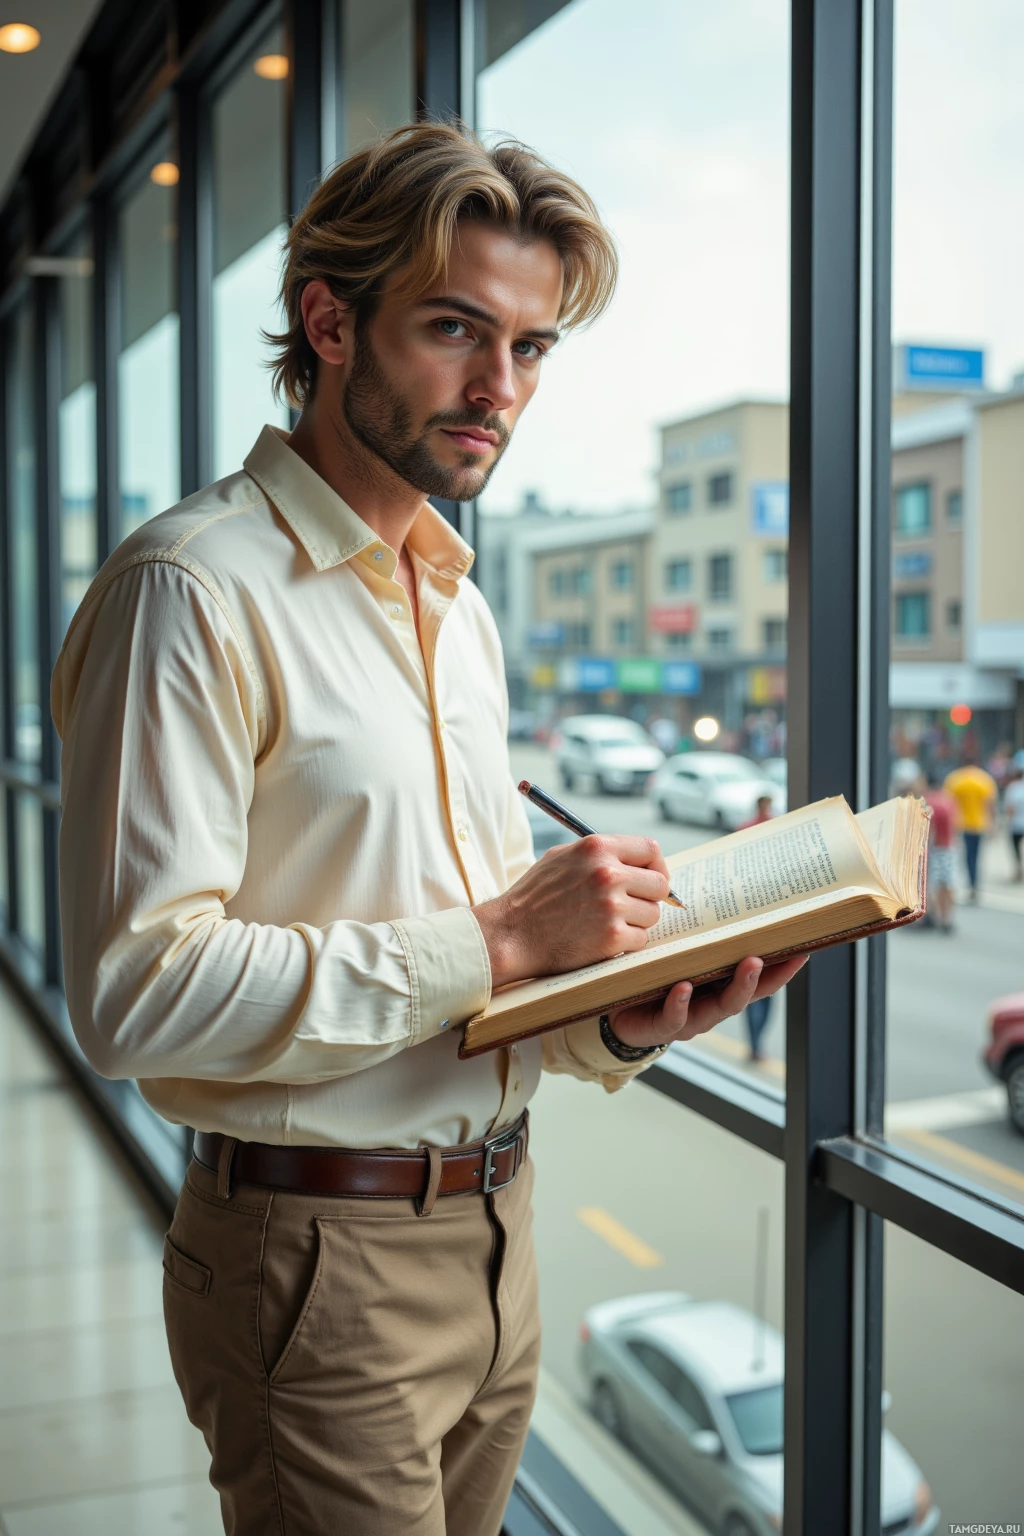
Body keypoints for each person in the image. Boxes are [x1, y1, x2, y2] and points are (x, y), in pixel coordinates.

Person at [51, 123, 806, 1536]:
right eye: (456, 329)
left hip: (498, 1235)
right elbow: (132, 994)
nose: (498, 388)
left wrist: (617, 1021)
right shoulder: (192, 590)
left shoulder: (456, 608)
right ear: (330, 323)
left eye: (528, 348)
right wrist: (507, 930)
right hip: (312, 1254)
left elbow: (468, 977)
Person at [738, 795, 776, 1057]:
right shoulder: (751, 828)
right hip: (753, 920)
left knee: (764, 993)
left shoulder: (772, 826)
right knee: (754, 991)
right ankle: (754, 1045)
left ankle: (756, 1043)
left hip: (765, 920)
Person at [944, 755, 998, 902]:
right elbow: (990, 803)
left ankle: (970, 883)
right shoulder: (984, 779)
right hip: (980, 824)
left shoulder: (955, 779)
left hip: (961, 824)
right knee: (976, 856)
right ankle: (975, 884)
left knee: (967, 856)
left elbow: (948, 803)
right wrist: (994, 823)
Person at [919, 772, 957, 932]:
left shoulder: (929, 801)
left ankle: (931, 916)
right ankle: (946, 919)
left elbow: (930, 830)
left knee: (930, 884)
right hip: (948, 847)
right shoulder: (948, 800)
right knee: (947, 884)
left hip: (936, 849)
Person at [1005, 766, 1024, 883]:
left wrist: (1009, 821)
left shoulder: (1012, 788)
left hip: (1016, 824)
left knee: (1016, 848)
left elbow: (1010, 808)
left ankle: (1018, 869)